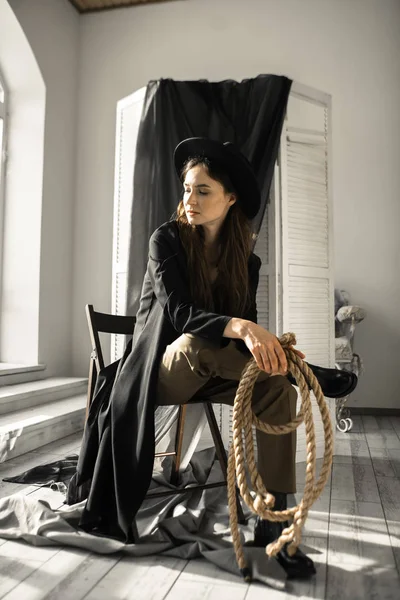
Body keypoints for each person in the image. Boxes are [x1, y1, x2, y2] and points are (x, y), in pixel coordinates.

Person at [71, 137, 356, 580]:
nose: (191, 199)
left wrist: (262, 344)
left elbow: (245, 346)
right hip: (158, 370)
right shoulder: (165, 240)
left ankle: (273, 524)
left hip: (217, 372)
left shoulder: (246, 259)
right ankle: (309, 373)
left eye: (203, 190)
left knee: (278, 390)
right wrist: (243, 328)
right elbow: (182, 314)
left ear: (230, 198)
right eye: (187, 189)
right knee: (197, 343)